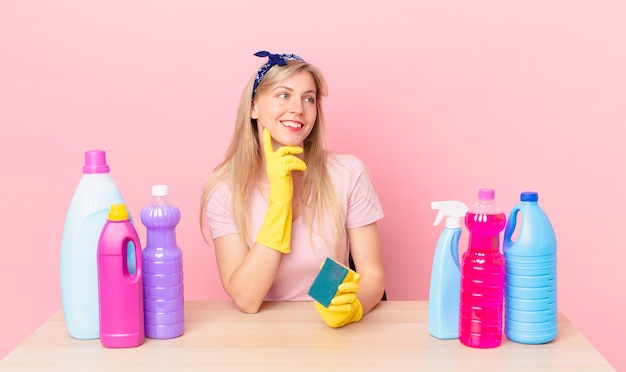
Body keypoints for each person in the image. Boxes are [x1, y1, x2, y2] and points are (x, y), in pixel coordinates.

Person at [200, 51, 385, 328]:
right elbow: (247, 299)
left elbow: (372, 275)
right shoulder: (225, 187)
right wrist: (280, 201)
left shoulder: (346, 173)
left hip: (330, 332)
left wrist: (352, 308)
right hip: (260, 334)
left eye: (308, 98)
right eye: (283, 95)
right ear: (253, 108)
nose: (298, 108)